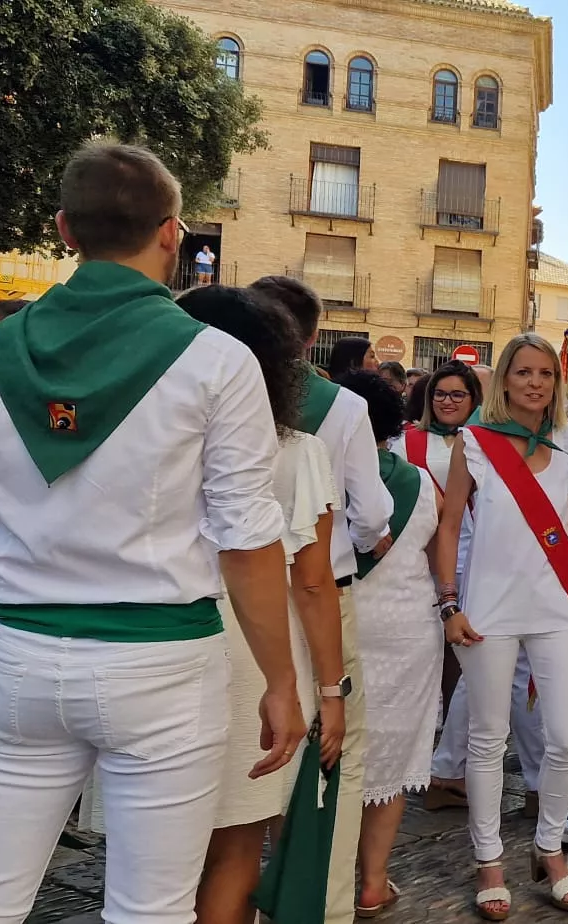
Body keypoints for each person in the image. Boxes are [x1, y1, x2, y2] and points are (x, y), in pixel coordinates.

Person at [0, 142, 306, 923]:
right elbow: (247, 538)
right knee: (151, 907)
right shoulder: (217, 360)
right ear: (172, 233)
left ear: (64, 230)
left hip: (18, 650)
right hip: (161, 659)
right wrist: (281, 678)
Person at [173, 285, 345, 924]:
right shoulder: (298, 452)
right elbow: (312, 584)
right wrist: (333, 690)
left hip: (158, 637)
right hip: (257, 652)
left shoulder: (146, 439)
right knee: (237, 846)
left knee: (155, 852)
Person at [431, 333, 568, 917]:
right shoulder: (475, 442)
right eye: (524, 372)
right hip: (490, 610)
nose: (535, 383)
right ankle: (489, 859)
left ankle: (549, 845)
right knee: (487, 739)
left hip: (554, 607)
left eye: (546, 374)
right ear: (503, 380)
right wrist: (449, 603)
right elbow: (449, 525)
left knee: (566, 736)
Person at [250, 274, 394, 922]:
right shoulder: (342, 408)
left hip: (233, 599)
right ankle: (322, 907)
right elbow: (370, 511)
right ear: (311, 339)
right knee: (334, 757)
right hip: (320, 594)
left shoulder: (210, 392)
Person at [327, 370, 444, 916]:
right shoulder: (422, 481)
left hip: (340, 627)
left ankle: (320, 880)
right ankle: (373, 882)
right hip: (408, 632)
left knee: (331, 761)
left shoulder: (318, 470)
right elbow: (436, 552)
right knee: (390, 764)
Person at [413, 360, 484, 812]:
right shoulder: (410, 439)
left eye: (458, 394)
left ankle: (447, 763)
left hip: (478, 555)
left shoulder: (488, 439)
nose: (447, 401)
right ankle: (431, 751)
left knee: (468, 654)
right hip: (425, 555)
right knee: (429, 653)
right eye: (440, 393)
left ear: (474, 399)